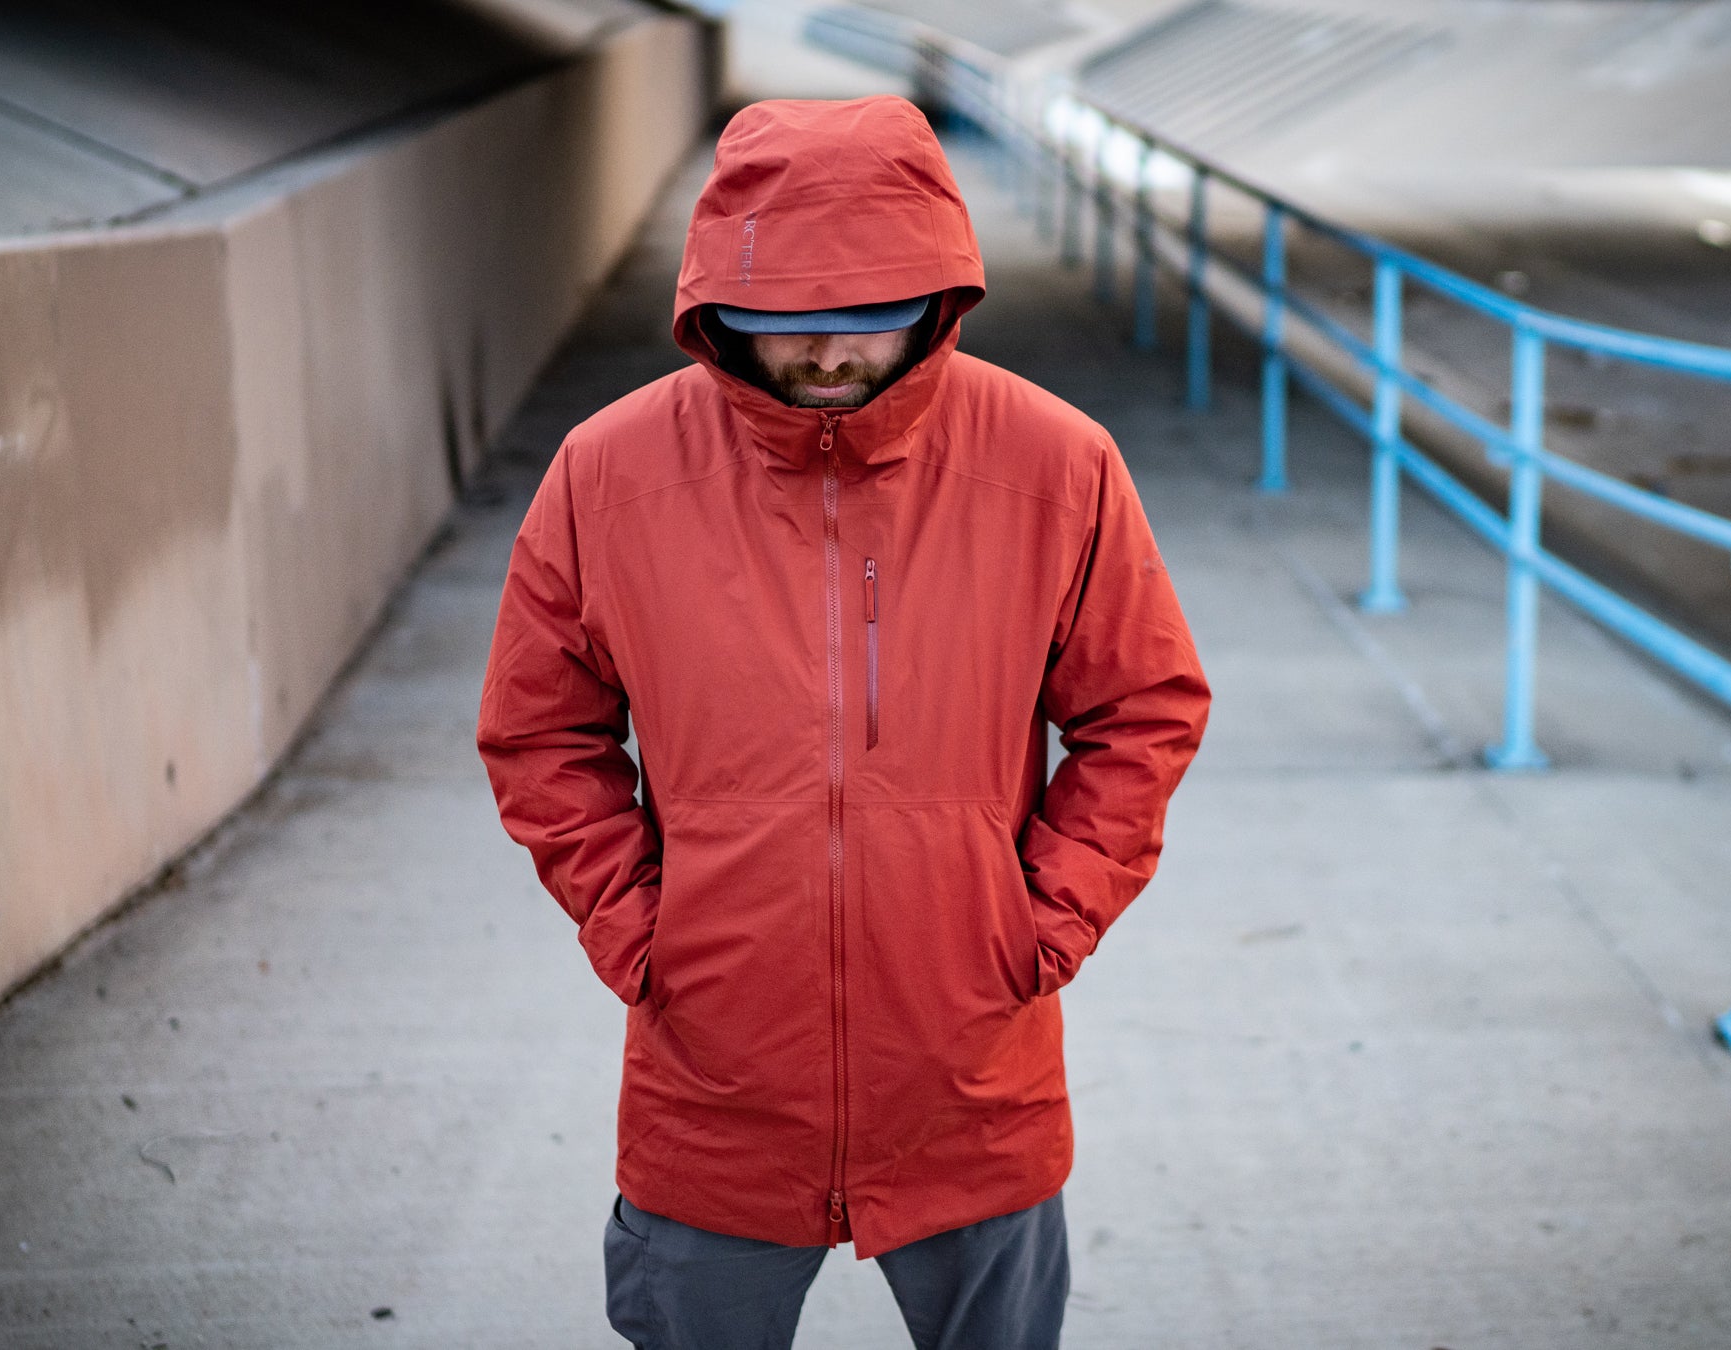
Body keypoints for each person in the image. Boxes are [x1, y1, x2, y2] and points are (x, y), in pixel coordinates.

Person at [477, 95, 1210, 1350]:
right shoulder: (609, 474)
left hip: (970, 1076)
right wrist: (640, 931)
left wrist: (1041, 924)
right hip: (716, 1088)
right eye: (784, 323)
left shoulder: (1055, 465)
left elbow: (1143, 706)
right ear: (722, 307)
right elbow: (540, 731)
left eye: (865, 316)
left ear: (936, 295)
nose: (824, 354)